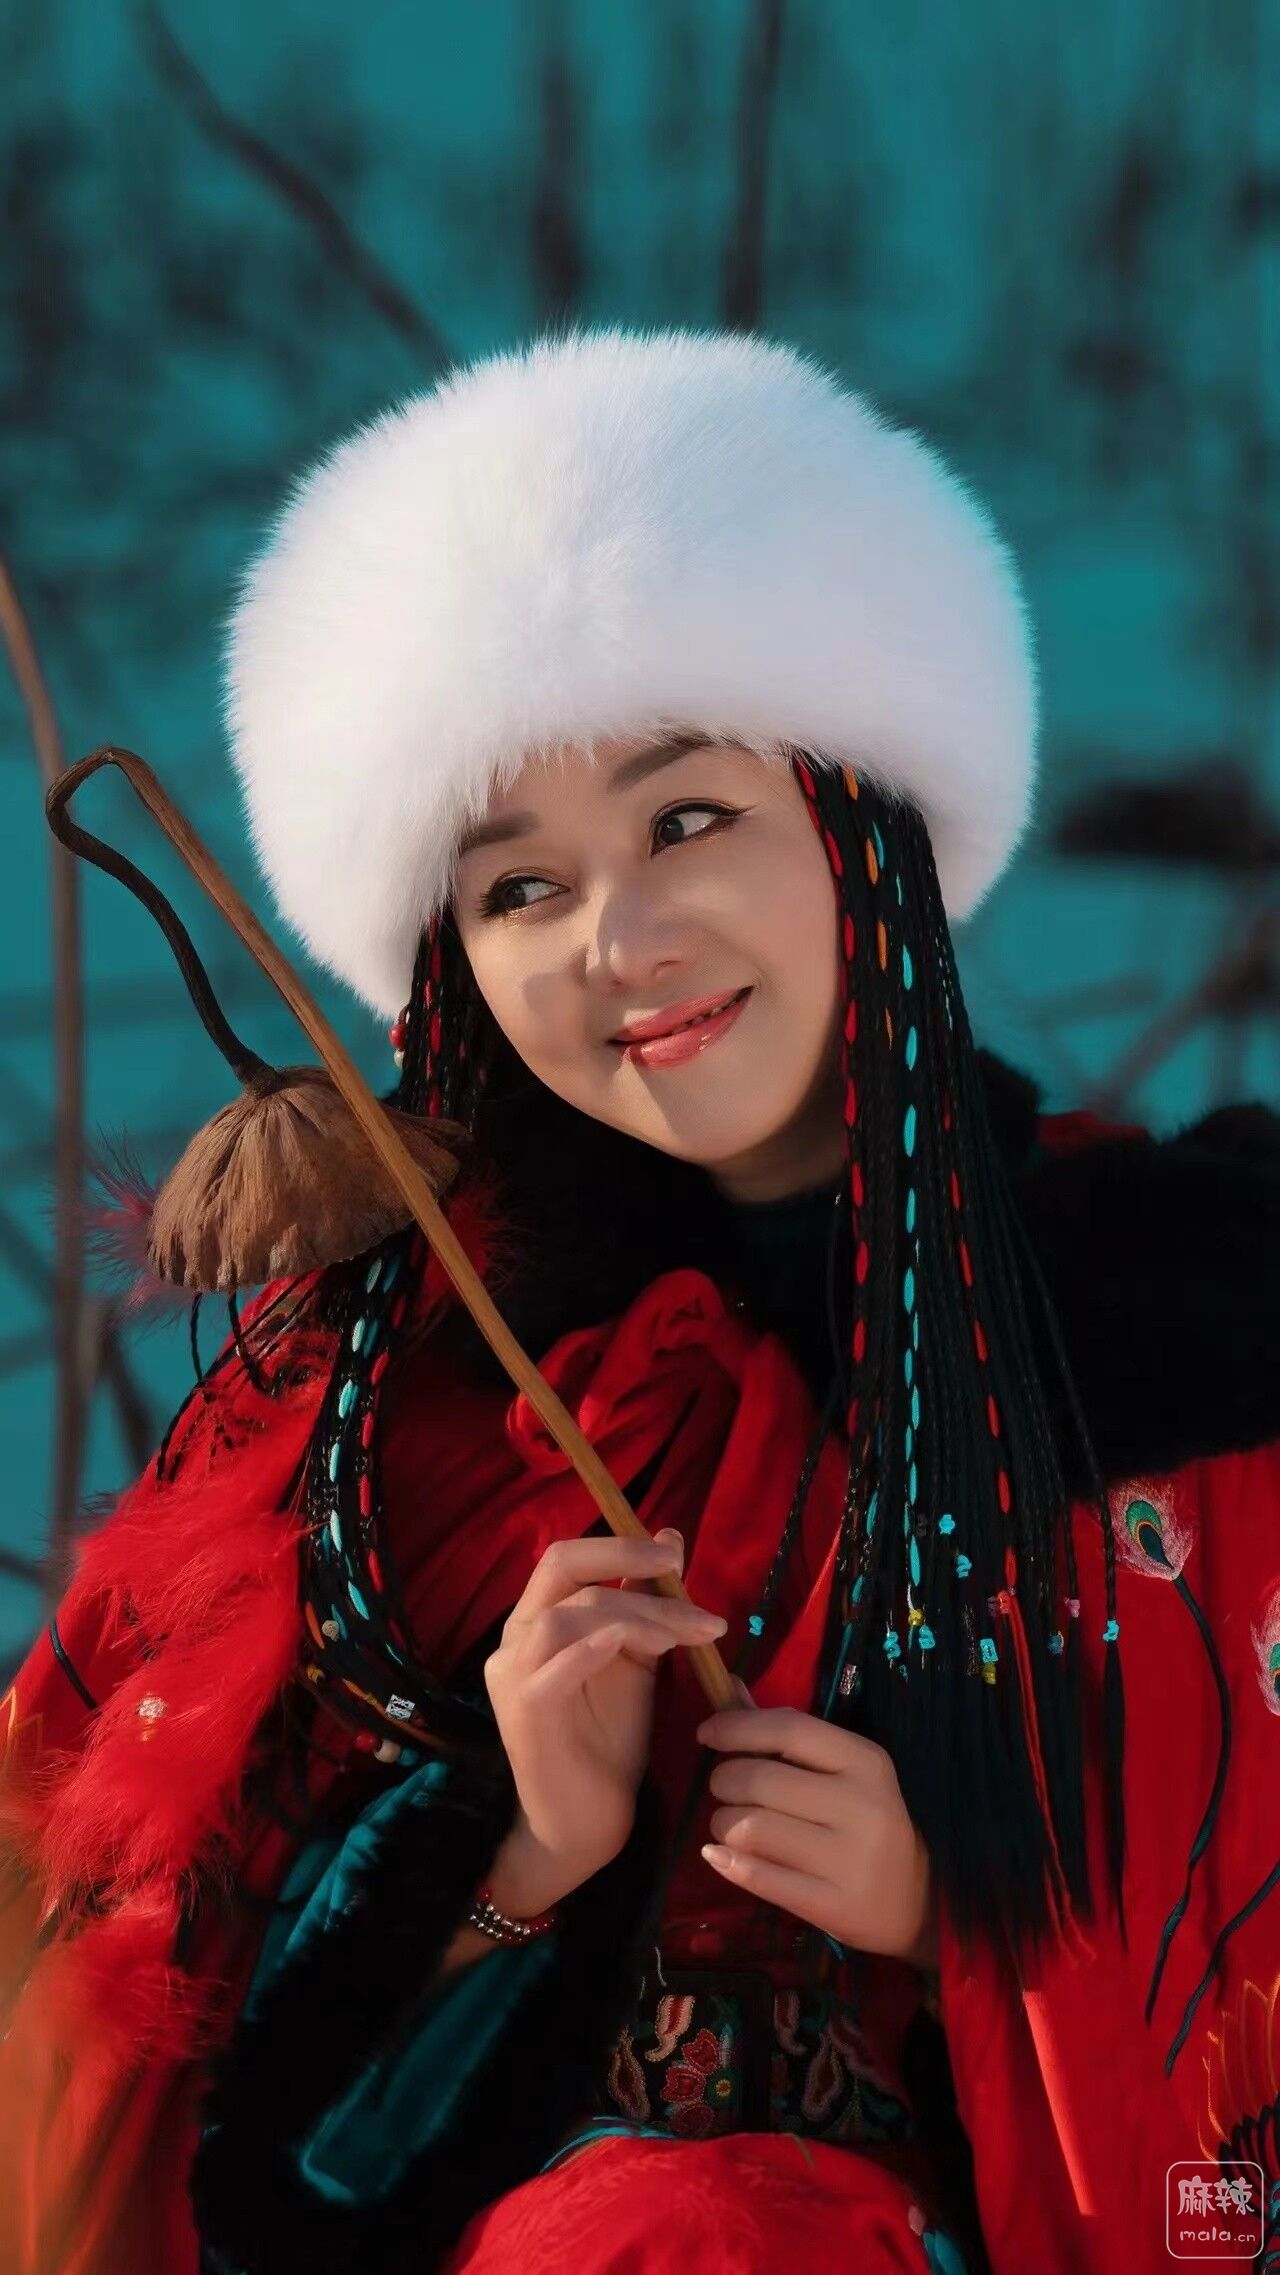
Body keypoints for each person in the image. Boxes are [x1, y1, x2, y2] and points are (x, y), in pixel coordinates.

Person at [1, 328, 1277, 2275]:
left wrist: (973, 1921)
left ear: (858, 831)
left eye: (688, 821)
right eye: (519, 888)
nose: (621, 938)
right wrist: (521, 1855)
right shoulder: (402, 1405)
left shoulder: (1194, 1345)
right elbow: (178, 2108)